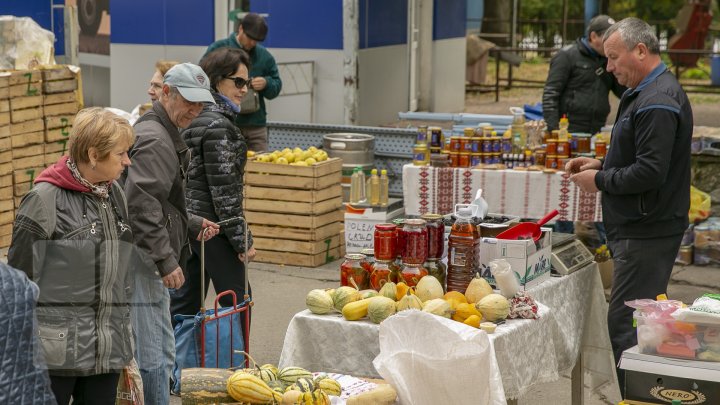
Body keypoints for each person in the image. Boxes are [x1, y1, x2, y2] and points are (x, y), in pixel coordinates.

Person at [566, 17, 693, 387]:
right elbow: (643, 156)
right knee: (646, 322)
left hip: (647, 229)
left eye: (613, 57)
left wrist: (600, 180)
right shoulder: (646, 91)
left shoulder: (657, 99)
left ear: (640, 51)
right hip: (643, 225)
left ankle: (640, 396)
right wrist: (601, 162)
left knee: (627, 324)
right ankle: (652, 393)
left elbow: (651, 171)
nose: (608, 67)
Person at [8, 107, 136, 404]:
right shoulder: (43, 201)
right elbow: (18, 282)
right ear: (93, 155)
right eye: (120, 154)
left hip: (108, 347)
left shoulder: (113, 194)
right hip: (56, 354)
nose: (127, 162)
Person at [121, 62, 220, 404]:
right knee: (154, 355)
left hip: (148, 255)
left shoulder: (161, 132)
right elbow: (142, 205)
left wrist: (191, 224)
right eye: (188, 100)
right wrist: (165, 260)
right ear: (166, 93)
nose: (195, 109)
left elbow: (159, 202)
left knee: (162, 348)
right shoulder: (157, 141)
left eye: (200, 102)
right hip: (145, 259)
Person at [170, 48, 257, 322]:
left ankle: (178, 363)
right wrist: (243, 241)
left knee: (184, 304)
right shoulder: (220, 126)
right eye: (238, 82)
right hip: (214, 229)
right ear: (217, 81)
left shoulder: (195, 117)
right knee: (238, 301)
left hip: (191, 225)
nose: (244, 90)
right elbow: (225, 192)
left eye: (248, 83)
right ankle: (236, 363)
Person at [204, 12, 282, 152]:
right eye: (250, 38)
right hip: (224, 120)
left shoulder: (265, 57)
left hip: (255, 125)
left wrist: (267, 83)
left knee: (260, 169)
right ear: (240, 29)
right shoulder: (218, 49)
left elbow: (276, 86)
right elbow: (202, 79)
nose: (252, 43)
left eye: (256, 40)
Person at [543, 14, 625, 134]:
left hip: (598, 129)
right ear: (593, 36)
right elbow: (550, 94)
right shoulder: (566, 56)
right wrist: (554, 131)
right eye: (607, 38)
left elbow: (623, 91)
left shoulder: (609, 60)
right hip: (568, 129)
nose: (612, 43)